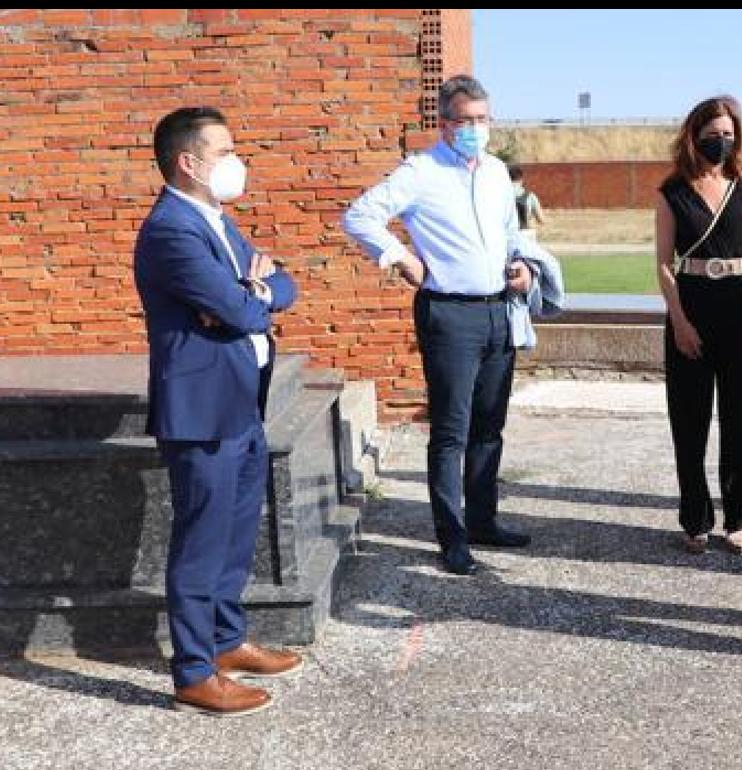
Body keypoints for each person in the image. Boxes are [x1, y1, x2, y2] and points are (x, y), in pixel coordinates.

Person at [343, 75, 561, 577]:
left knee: (490, 425)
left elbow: (511, 234)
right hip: (449, 314)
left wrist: (524, 268)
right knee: (451, 430)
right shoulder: (420, 172)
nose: (474, 129)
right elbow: (359, 216)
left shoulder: (497, 173)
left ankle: (484, 521)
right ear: (444, 123)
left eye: (482, 120)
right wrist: (399, 256)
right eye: (464, 121)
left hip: (498, 309)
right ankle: (452, 536)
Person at [134, 107, 301, 716]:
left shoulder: (218, 221)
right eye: (226, 151)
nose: (236, 162)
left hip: (240, 403)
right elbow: (239, 313)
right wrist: (247, 298)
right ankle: (193, 670)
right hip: (202, 410)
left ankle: (226, 641)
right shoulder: (171, 230)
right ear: (189, 161)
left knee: (234, 533)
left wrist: (253, 290)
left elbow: (283, 286)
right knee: (201, 541)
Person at [655, 95, 742, 555]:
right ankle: (695, 517)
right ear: (694, 134)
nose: (720, 141)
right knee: (689, 418)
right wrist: (679, 321)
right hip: (692, 303)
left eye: (728, 134)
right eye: (712, 134)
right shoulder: (671, 190)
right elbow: (665, 265)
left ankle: (737, 518)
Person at [509, 166, 546, 241]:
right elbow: (541, 219)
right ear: (521, 179)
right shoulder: (530, 196)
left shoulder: (502, 196)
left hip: (509, 234)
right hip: (526, 234)